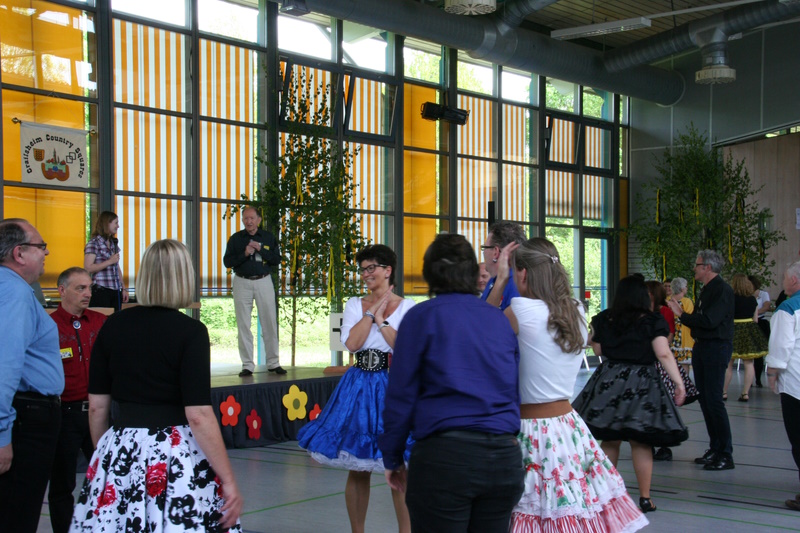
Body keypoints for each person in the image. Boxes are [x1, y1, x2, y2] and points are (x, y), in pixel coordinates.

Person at [70, 239, 243, 531]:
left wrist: (105, 456)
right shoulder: (191, 332)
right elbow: (198, 414)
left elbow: (97, 406)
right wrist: (228, 479)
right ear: (184, 277)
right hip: (173, 450)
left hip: (121, 443)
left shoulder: (112, 325)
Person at [498, 239, 647, 533]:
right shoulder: (576, 310)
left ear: (523, 274)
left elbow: (479, 328)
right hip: (568, 426)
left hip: (531, 427)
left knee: (529, 509)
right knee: (571, 508)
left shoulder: (520, 311)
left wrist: (500, 281)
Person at [380, 234, 524, 533]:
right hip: (503, 458)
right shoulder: (498, 319)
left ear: (428, 273)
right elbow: (511, 385)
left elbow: (401, 395)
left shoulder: (421, 317)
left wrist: (393, 457)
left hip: (444, 458)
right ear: (473, 272)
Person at [297, 244, 415, 533]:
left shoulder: (408, 307)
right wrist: (370, 312)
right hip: (359, 386)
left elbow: (403, 347)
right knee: (358, 466)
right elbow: (352, 344)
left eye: (371, 268)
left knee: (398, 465)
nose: (365, 274)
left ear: (387, 270)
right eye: (362, 269)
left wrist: (381, 320)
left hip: (392, 383)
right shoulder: (354, 304)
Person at [574, 275, 688, 514]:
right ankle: (645, 498)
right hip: (642, 382)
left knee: (610, 439)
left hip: (610, 380)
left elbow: (597, 349)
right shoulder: (653, 320)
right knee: (641, 442)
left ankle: (606, 495)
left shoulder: (605, 318)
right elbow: (663, 353)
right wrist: (679, 383)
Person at [0, 218, 64, 533]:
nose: (46, 253)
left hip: (24, 414)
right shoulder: (14, 292)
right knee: (17, 513)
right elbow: (5, 363)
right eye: (41, 246)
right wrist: (2, 435)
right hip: (25, 418)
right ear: (19, 253)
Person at [48, 267, 107, 533]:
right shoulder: (49, 326)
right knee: (62, 483)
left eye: (89, 288)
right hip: (65, 414)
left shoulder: (100, 322)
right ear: (62, 291)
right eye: (80, 288)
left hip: (98, 412)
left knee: (105, 477)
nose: (88, 293)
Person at [667, 249, 735, 471]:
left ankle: (725, 453)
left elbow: (709, 321)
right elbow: (699, 319)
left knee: (714, 400)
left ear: (707, 267)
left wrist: (682, 315)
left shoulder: (722, 290)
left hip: (716, 347)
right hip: (703, 347)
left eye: (697, 265)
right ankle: (715, 447)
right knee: (705, 400)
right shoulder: (706, 290)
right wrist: (686, 316)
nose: (694, 268)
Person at [223, 206, 284, 376]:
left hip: (263, 280)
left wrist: (260, 250)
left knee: (269, 322)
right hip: (242, 281)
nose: (248, 221)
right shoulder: (236, 239)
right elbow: (227, 262)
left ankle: (273, 362)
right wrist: (244, 253)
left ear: (259, 220)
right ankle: (247, 364)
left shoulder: (268, 237)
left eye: (251, 218)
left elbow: (276, 259)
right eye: (245, 218)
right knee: (243, 324)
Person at [765, 261, 800, 512]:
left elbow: (780, 347)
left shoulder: (787, 308)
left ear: (794, 280)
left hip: (796, 386)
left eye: (785, 277)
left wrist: (772, 373)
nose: (783, 281)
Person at [723, 274, 768, 402]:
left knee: (728, 363)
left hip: (733, 330)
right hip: (748, 330)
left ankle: (724, 392)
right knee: (748, 363)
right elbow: (755, 319)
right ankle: (745, 393)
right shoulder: (752, 299)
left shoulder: (730, 298)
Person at [84, 211, 128, 311]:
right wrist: (109, 261)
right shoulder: (94, 243)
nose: (118, 226)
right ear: (107, 223)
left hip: (115, 290)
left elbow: (117, 267)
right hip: (101, 290)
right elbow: (88, 267)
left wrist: (123, 288)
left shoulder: (113, 243)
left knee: (116, 319)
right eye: (116, 223)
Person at [480, 221, 526, 310]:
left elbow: (486, 316)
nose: (484, 252)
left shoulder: (517, 284)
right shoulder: (493, 279)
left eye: (485, 247)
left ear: (495, 252)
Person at [749, 275, 771, 387]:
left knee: (759, 353)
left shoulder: (763, 294)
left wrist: (755, 313)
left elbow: (766, 306)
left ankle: (758, 378)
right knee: (749, 353)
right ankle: (749, 379)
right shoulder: (746, 294)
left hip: (760, 322)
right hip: (749, 322)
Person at [670, 277, 695, 367]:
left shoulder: (667, 300)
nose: (687, 288)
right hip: (684, 337)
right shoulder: (687, 302)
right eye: (686, 286)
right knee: (684, 365)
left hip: (670, 335)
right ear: (681, 289)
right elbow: (690, 318)